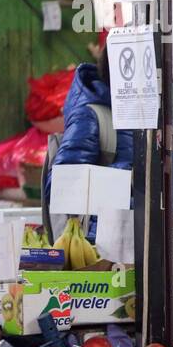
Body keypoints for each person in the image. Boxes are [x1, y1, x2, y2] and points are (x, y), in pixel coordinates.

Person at [41, 51, 135, 238]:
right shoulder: (89, 116)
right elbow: (61, 189)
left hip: (152, 244)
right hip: (101, 249)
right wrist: (128, 179)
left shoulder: (159, 116)